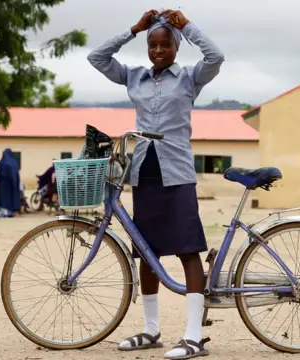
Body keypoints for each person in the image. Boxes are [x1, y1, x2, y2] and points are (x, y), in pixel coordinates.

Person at [87, 8, 224, 359]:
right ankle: (151, 329)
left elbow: (216, 55)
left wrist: (187, 26)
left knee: (188, 250)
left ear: (176, 47)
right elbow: (96, 57)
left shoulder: (191, 78)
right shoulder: (134, 77)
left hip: (176, 172)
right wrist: (133, 30)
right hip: (143, 172)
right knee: (146, 252)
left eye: (165, 44)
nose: (158, 50)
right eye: (152, 45)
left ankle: (193, 336)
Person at [0, 149, 21, 217]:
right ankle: (14, 210)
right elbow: (17, 175)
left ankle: (4, 210)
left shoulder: (1, 162)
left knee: (4, 198)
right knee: (13, 196)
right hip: (13, 184)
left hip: (3, 185)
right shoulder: (14, 162)